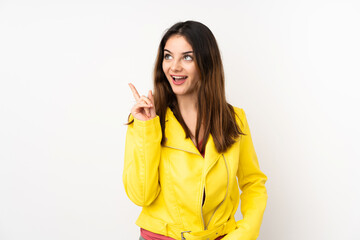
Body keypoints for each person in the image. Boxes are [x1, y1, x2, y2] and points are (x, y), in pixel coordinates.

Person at [123, 20, 268, 240]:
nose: (174, 66)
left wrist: (244, 234)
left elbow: (253, 184)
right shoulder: (146, 120)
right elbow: (141, 196)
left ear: (206, 63)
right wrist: (147, 129)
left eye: (187, 57)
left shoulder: (234, 119)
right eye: (168, 56)